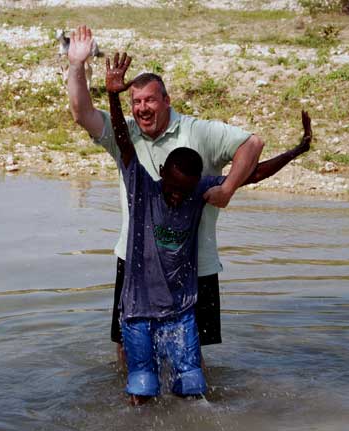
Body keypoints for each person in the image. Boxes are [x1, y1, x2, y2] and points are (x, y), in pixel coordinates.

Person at [66, 25, 312, 362]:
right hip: (137, 264)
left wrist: (226, 189)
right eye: (135, 101)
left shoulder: (199, 133)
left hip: (196, 265)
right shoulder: (126, 137)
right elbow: (82, 113)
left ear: (167, 100)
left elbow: (252, 147)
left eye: (150, 99)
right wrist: (77, 65)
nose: (142, 108)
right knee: (127, 351)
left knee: (191, 357)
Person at [106, 52, 219, 404]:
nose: (175, 196)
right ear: (161, 177)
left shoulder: (196, 193)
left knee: (192, 383)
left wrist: (296, 151)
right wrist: (112, 95)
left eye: (183, 191)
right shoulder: (143, 189)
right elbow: (124, 142)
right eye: (171, 188)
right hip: (138, 309)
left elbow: (254, 173)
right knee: (141, 385)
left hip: (179, 310)